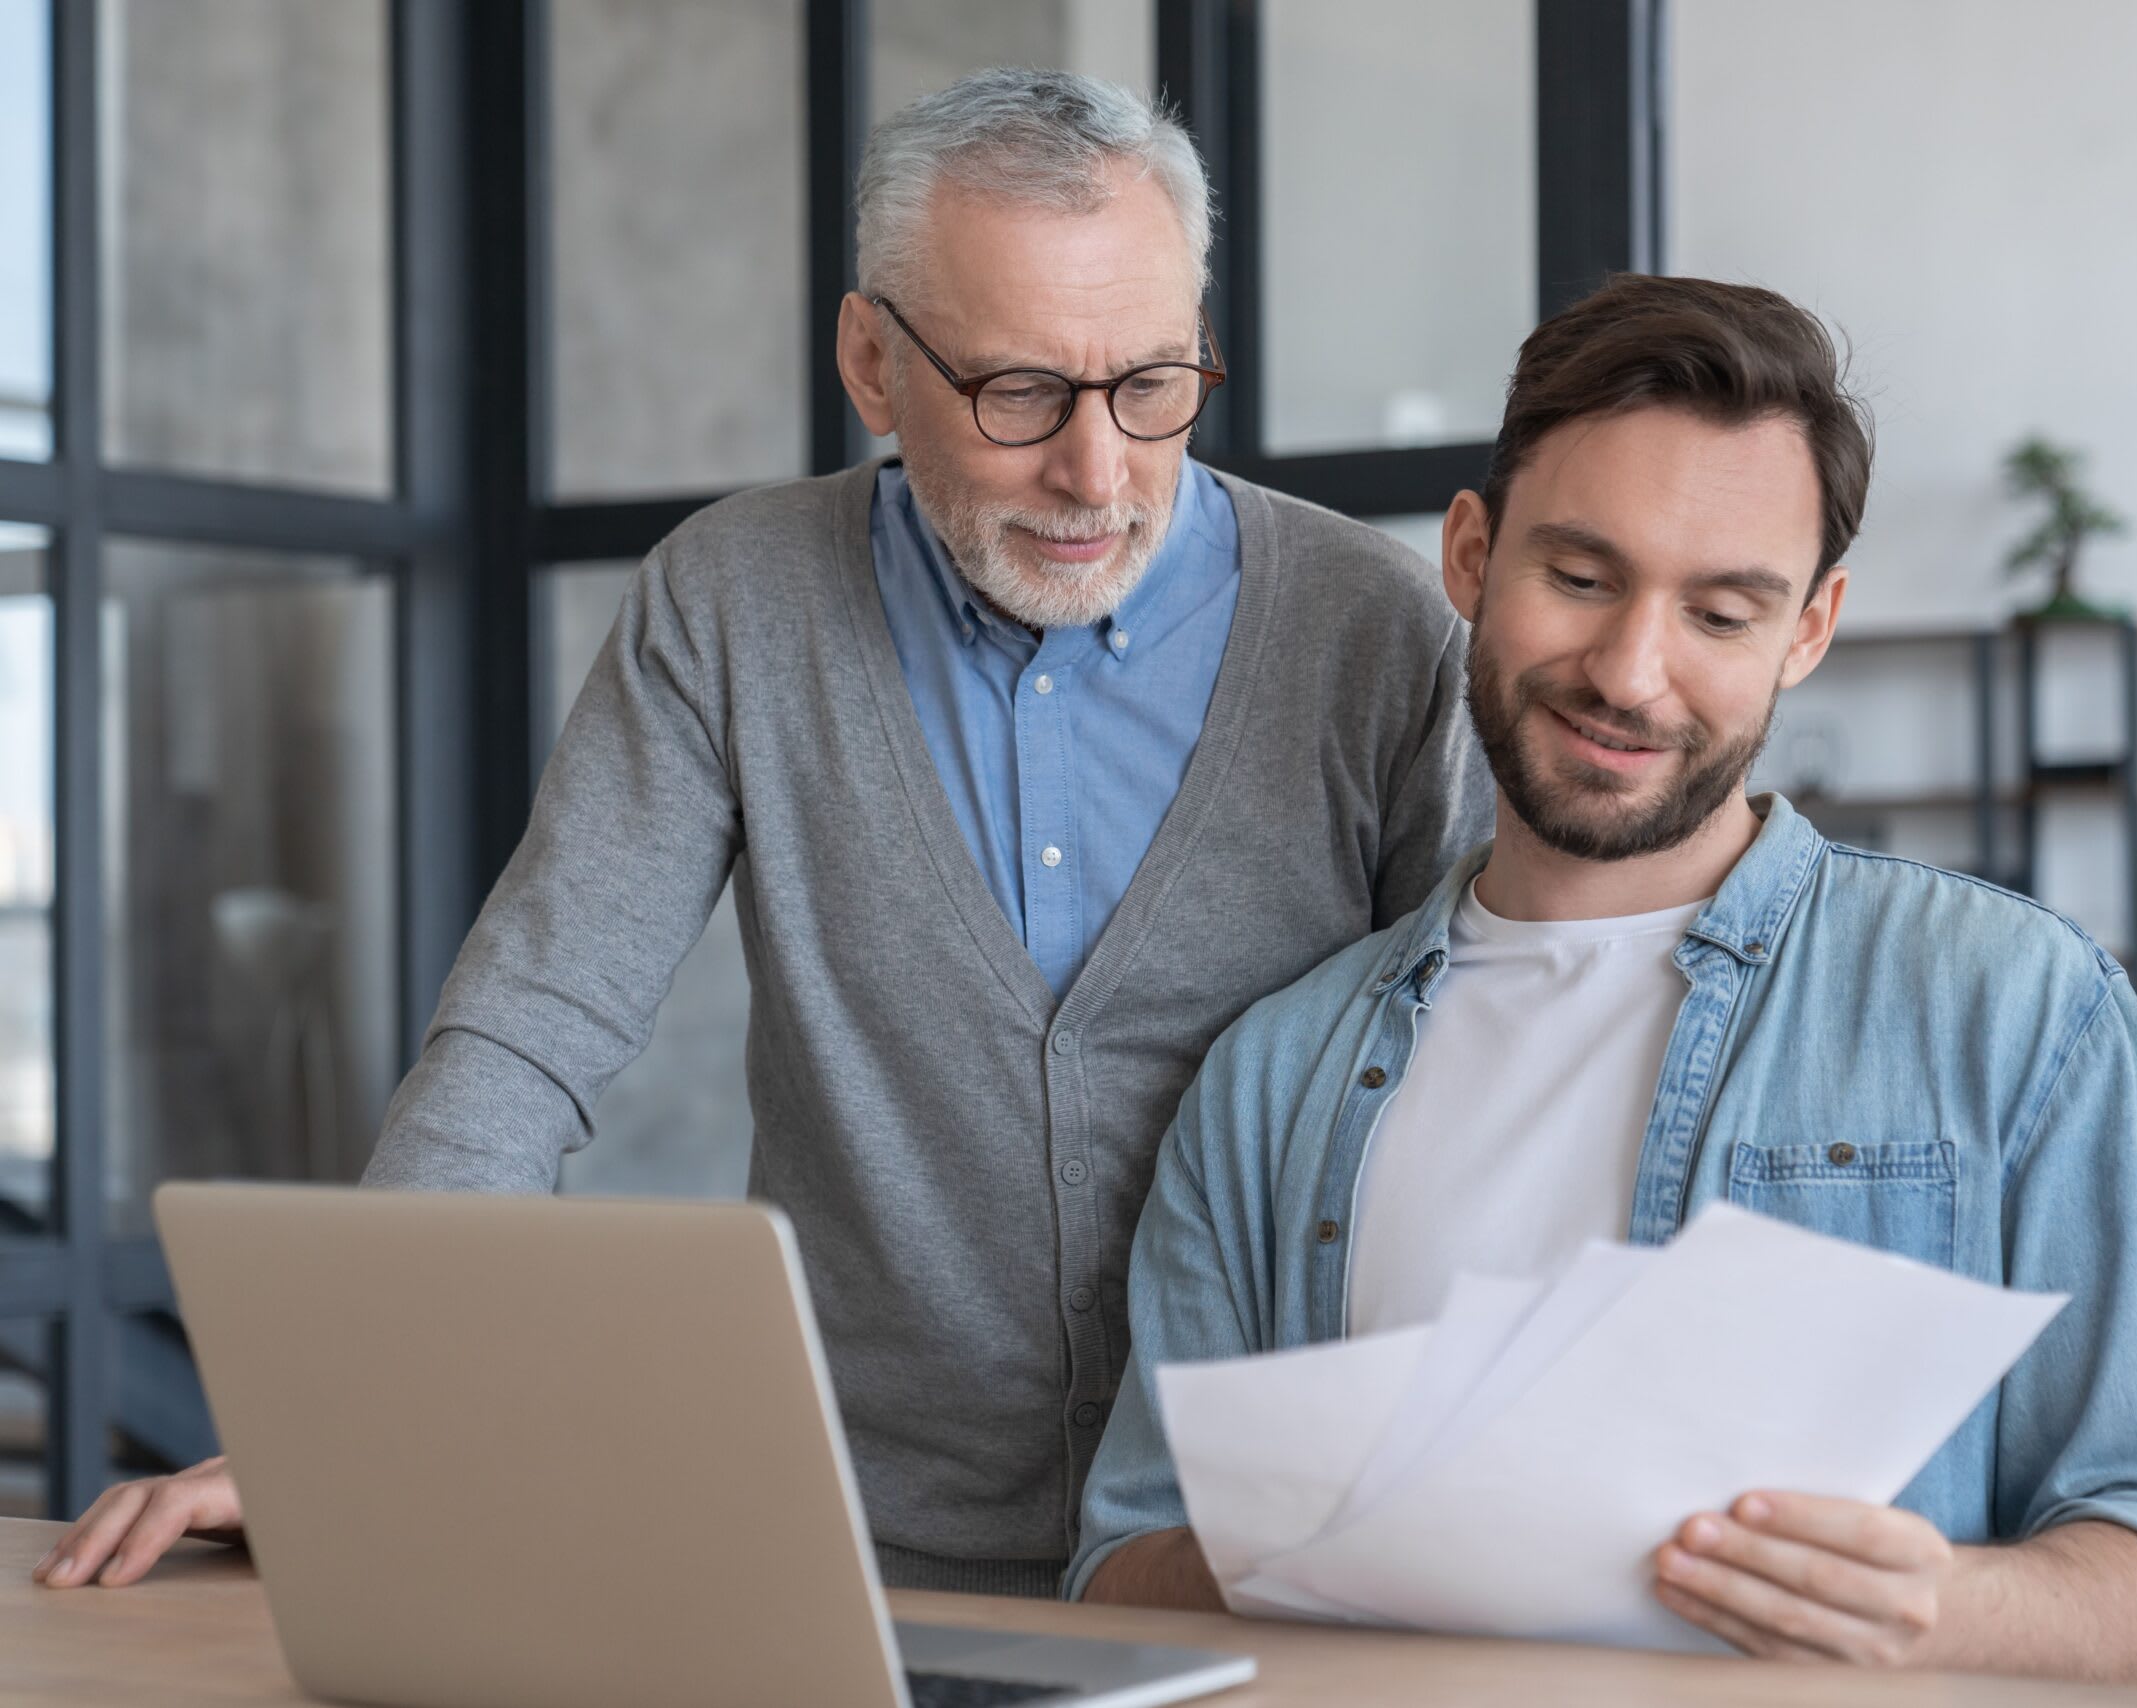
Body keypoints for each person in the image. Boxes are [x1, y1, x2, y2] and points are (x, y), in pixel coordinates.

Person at [37, 69, 1487, 1597]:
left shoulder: (1376, 634)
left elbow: (1461, 1088)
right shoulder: (730, 604)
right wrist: (357, 1425)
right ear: (873, 358)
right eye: (1018, 395)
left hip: (1262, 1554)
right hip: (852, 1555)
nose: (1096, 472)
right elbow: (531, 1032)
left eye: (1150, 385)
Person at [1069, 275, 2137, 1691]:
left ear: (1811, 629)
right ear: (1471, 556)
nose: (1631, 675)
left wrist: (1944, 1613)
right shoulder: (1273, 1077)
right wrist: (1358, 1541)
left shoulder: (2017, 1010)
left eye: (1722, 614)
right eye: (1580, 580)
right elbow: (1121, 1570)